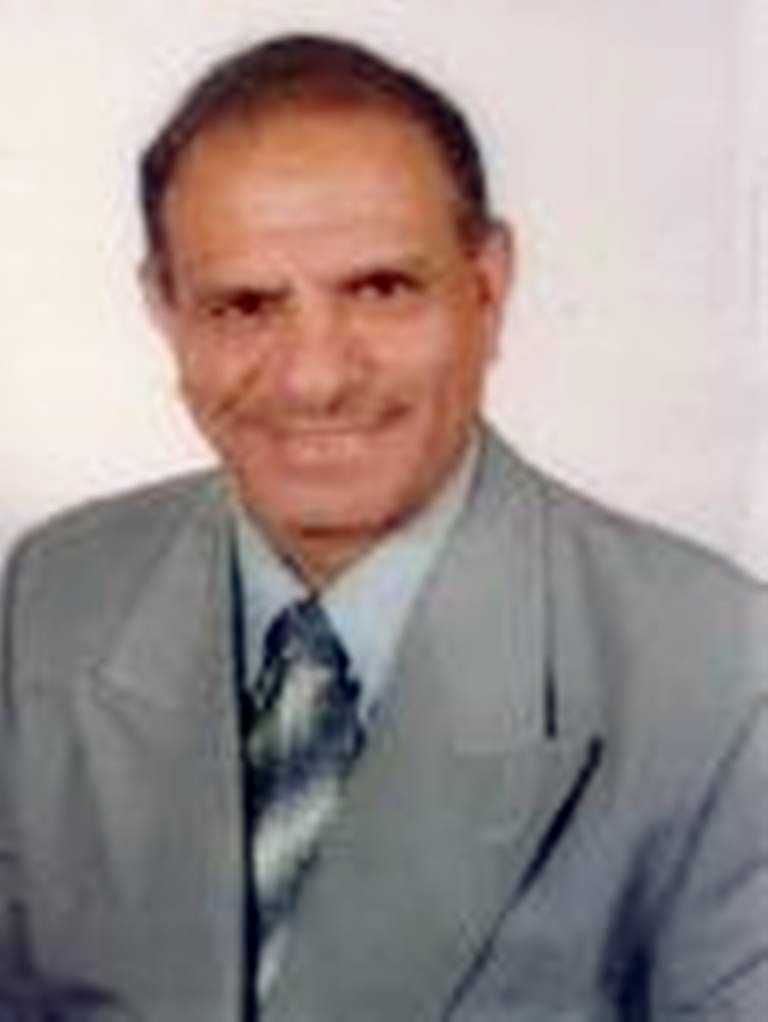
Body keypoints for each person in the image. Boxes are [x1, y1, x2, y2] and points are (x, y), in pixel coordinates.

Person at [1, 33, 767, 1022]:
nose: (315, 377)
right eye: (244, 306)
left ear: (487, 286)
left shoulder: (720, 675)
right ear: (165, 309)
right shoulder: (56, 592)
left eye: (380, 289)